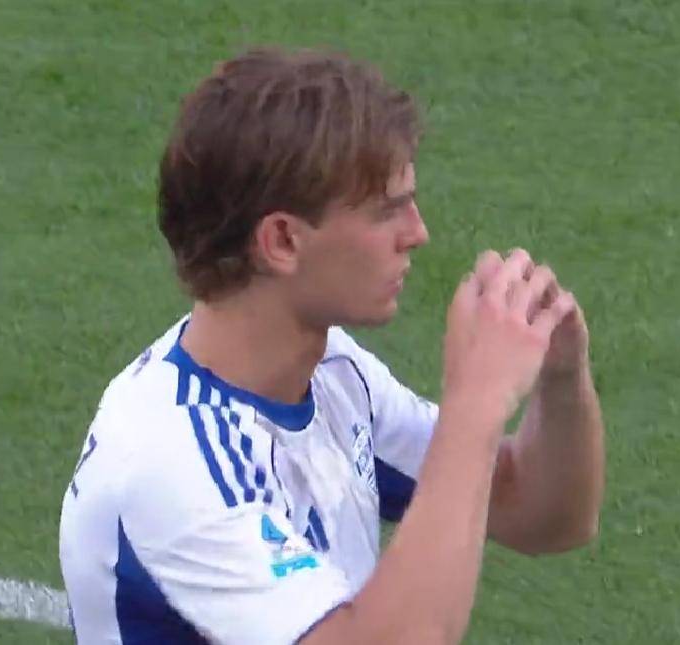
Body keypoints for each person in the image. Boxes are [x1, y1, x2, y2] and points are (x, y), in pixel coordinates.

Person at [59, 47, 605, 645]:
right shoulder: (173, 463)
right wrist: (477, 399)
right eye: (387, 212)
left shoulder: (330, 373)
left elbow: (546, 516)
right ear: (283, 241)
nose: (417, 233)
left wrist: (561, 377)